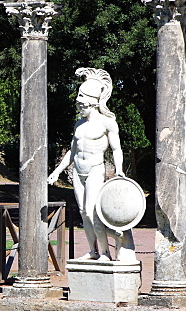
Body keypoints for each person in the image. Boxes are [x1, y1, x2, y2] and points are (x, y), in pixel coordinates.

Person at [47, 67, 135, 262]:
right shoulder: (78, 125)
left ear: (93, 102)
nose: (79, 105)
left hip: (96, 170)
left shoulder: (107, 123)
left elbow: (117, 149)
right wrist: (57, 171)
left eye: (82, 101)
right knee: (83, 213)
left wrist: (119, 170)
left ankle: (106, 251)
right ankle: (93, 250)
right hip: (78, 171)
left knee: (92, 212)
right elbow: (73, 151)